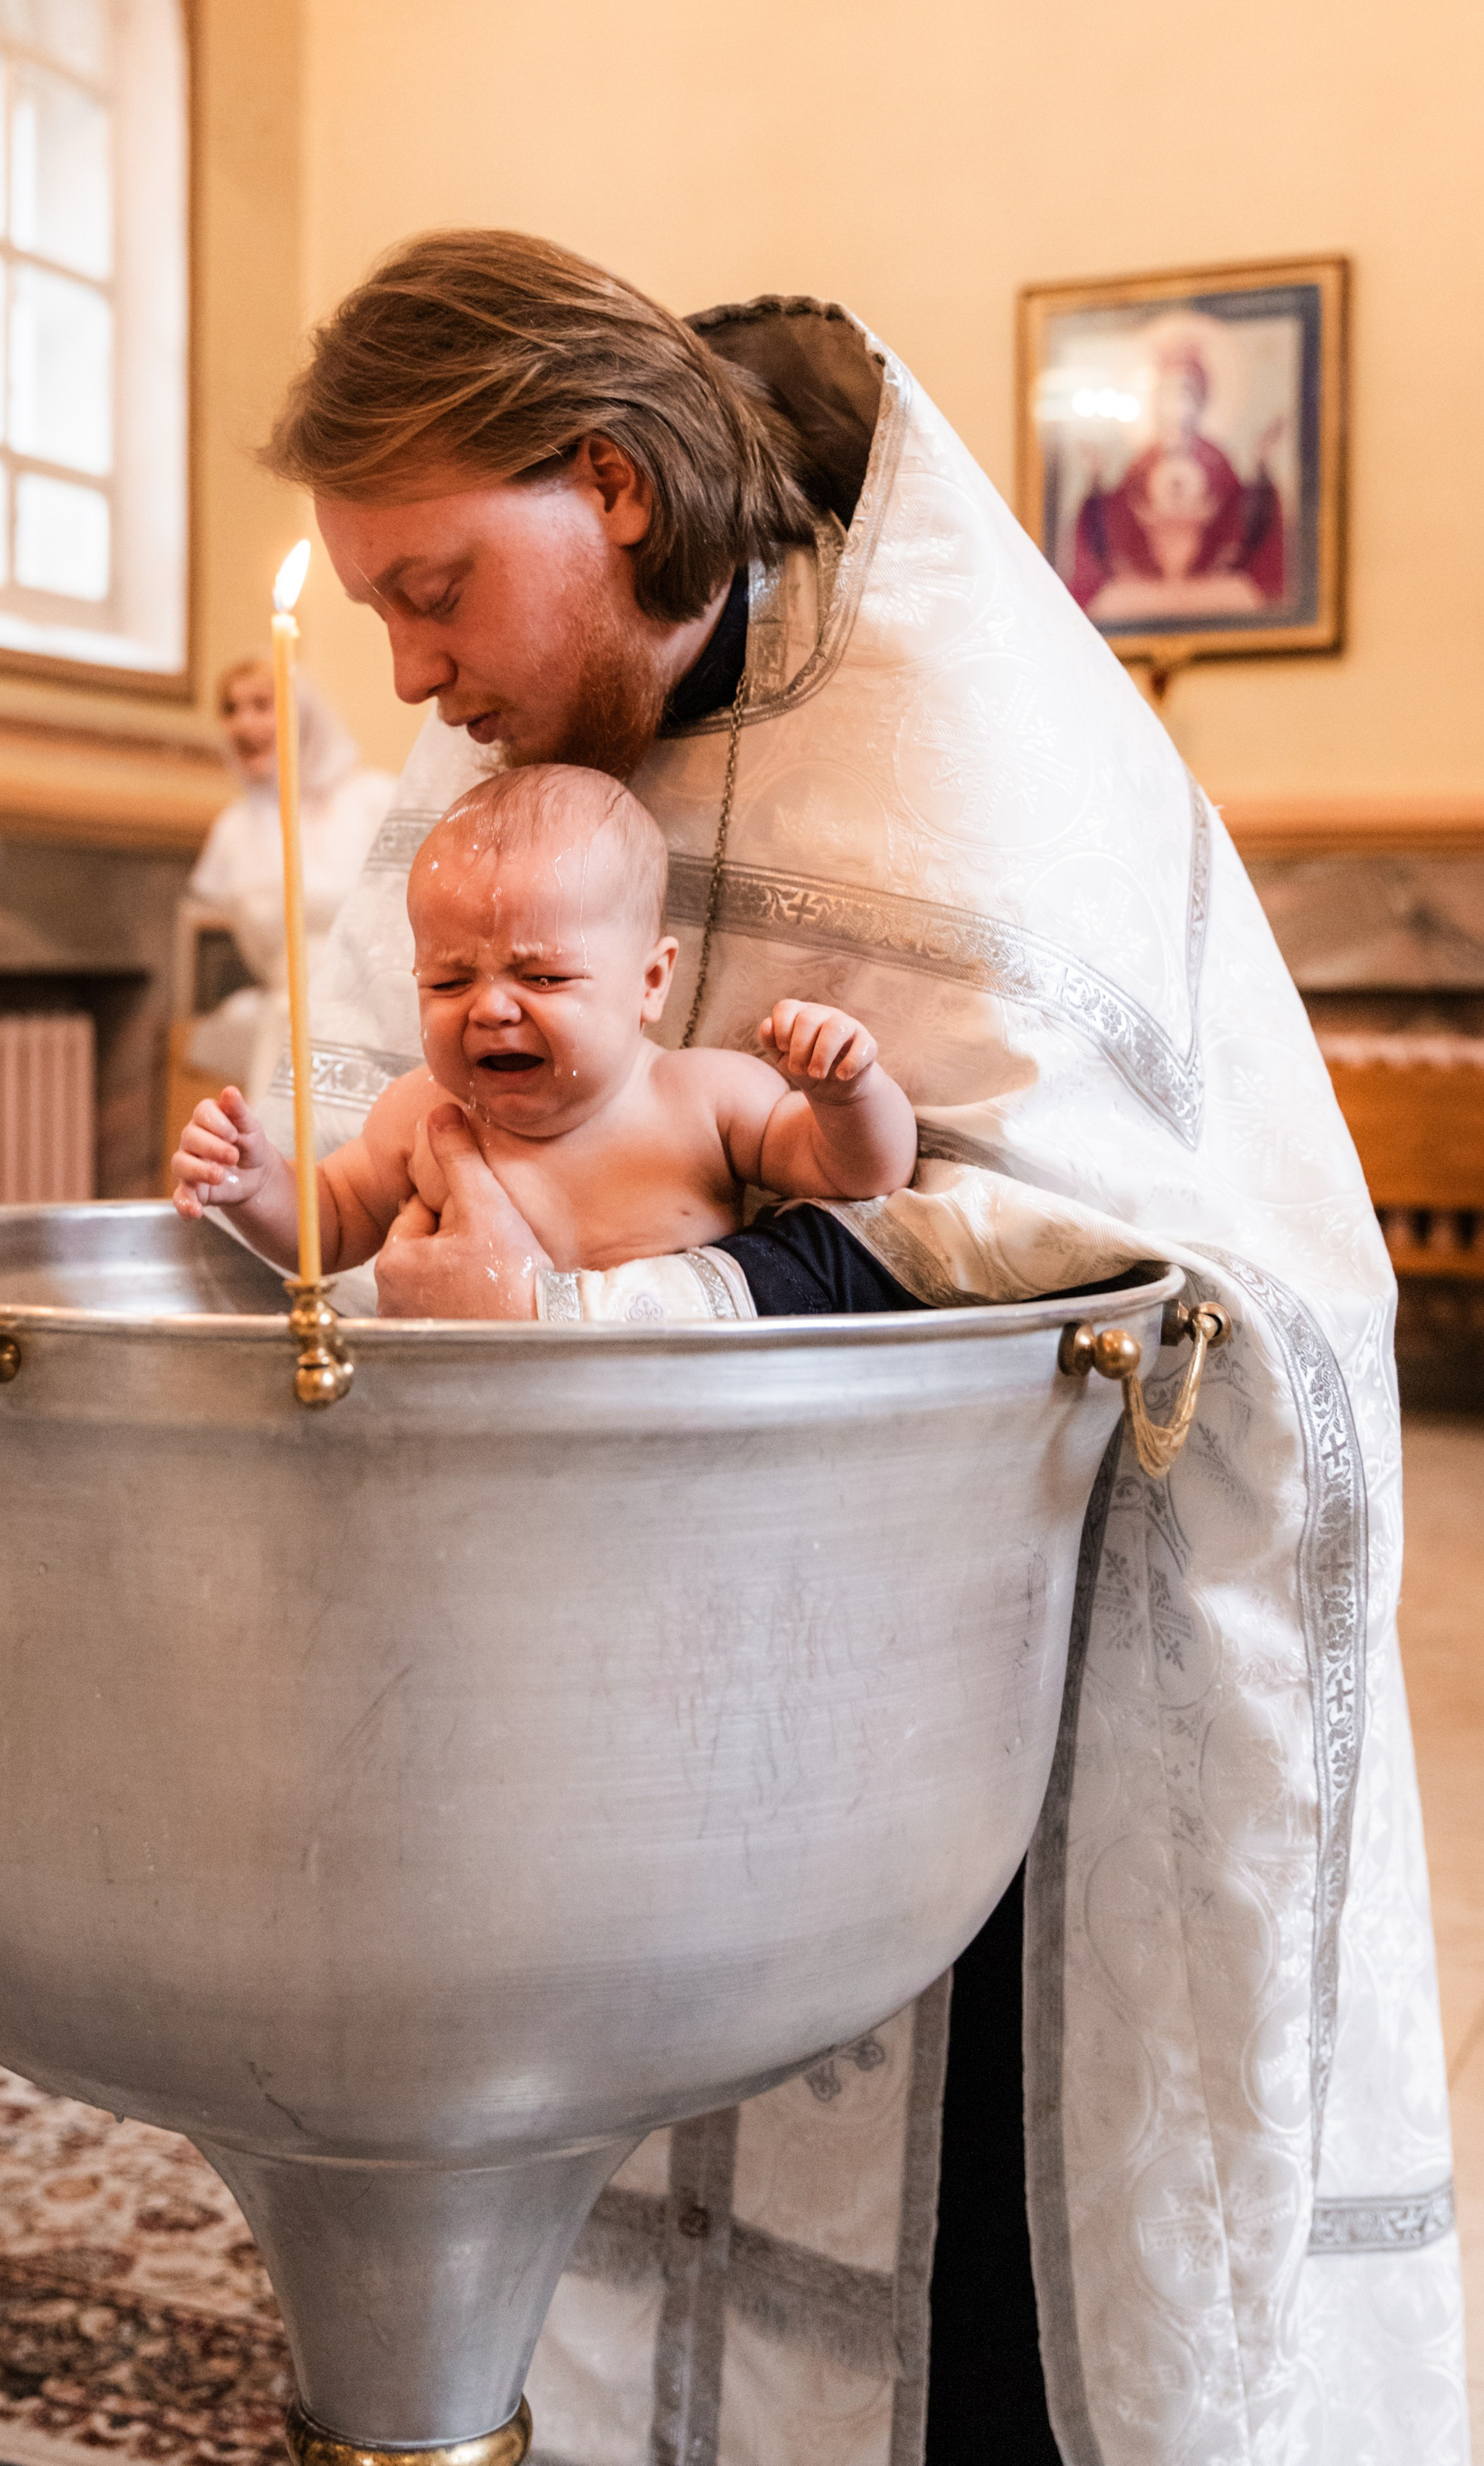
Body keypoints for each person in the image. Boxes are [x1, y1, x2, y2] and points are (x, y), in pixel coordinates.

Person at [249, 232, 1462, 2463]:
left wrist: (616, 1312)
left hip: (982, 1669)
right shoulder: (500, 786)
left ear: (610, 484)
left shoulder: (950, 740)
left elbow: (1118, 1240)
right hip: (615, 1682)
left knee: (966, 2294)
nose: (410, 674)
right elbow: (376, 1142)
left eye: (432, 588)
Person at [171, 765, 916, 1299]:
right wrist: (257, 1181)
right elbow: (326, 1229)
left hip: (652, 1426)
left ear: (650, 983)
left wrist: (846, 1093)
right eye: (449, 981)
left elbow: (861, 1175)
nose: (491, 1010)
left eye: (544, 978)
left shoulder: (702, 1098)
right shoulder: (418, 1115)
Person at [184, 658, 394, 1105]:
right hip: (286, 1026)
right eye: (231, 708)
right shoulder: (234, 829)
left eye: (262, 704)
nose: (245, 723)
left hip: (381, 1021)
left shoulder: (372, 801)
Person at [1071, 337, 1287, 624]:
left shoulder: (1217, 462)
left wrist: (1261, 470)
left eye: (1185, 393)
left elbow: (1243, 517)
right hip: (1141, 585)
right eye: (1166, 394)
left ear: (1201, 399)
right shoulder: (1140, 465)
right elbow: (1114, 521)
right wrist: (1097, 482)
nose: (1175, 405)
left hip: (1211, 583)